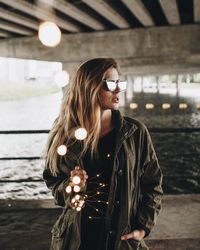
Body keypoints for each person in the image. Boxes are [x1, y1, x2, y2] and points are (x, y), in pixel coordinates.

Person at [43, 58, 163, 250]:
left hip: (121, 241)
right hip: (77, 240)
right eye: (110, 84)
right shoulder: (65, 135)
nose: (118, 90)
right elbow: (54, 185)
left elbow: (153, 184)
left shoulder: (136, 132)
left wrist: (142, 227)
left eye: (119, 83)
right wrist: (72, 186)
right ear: (89, 87)